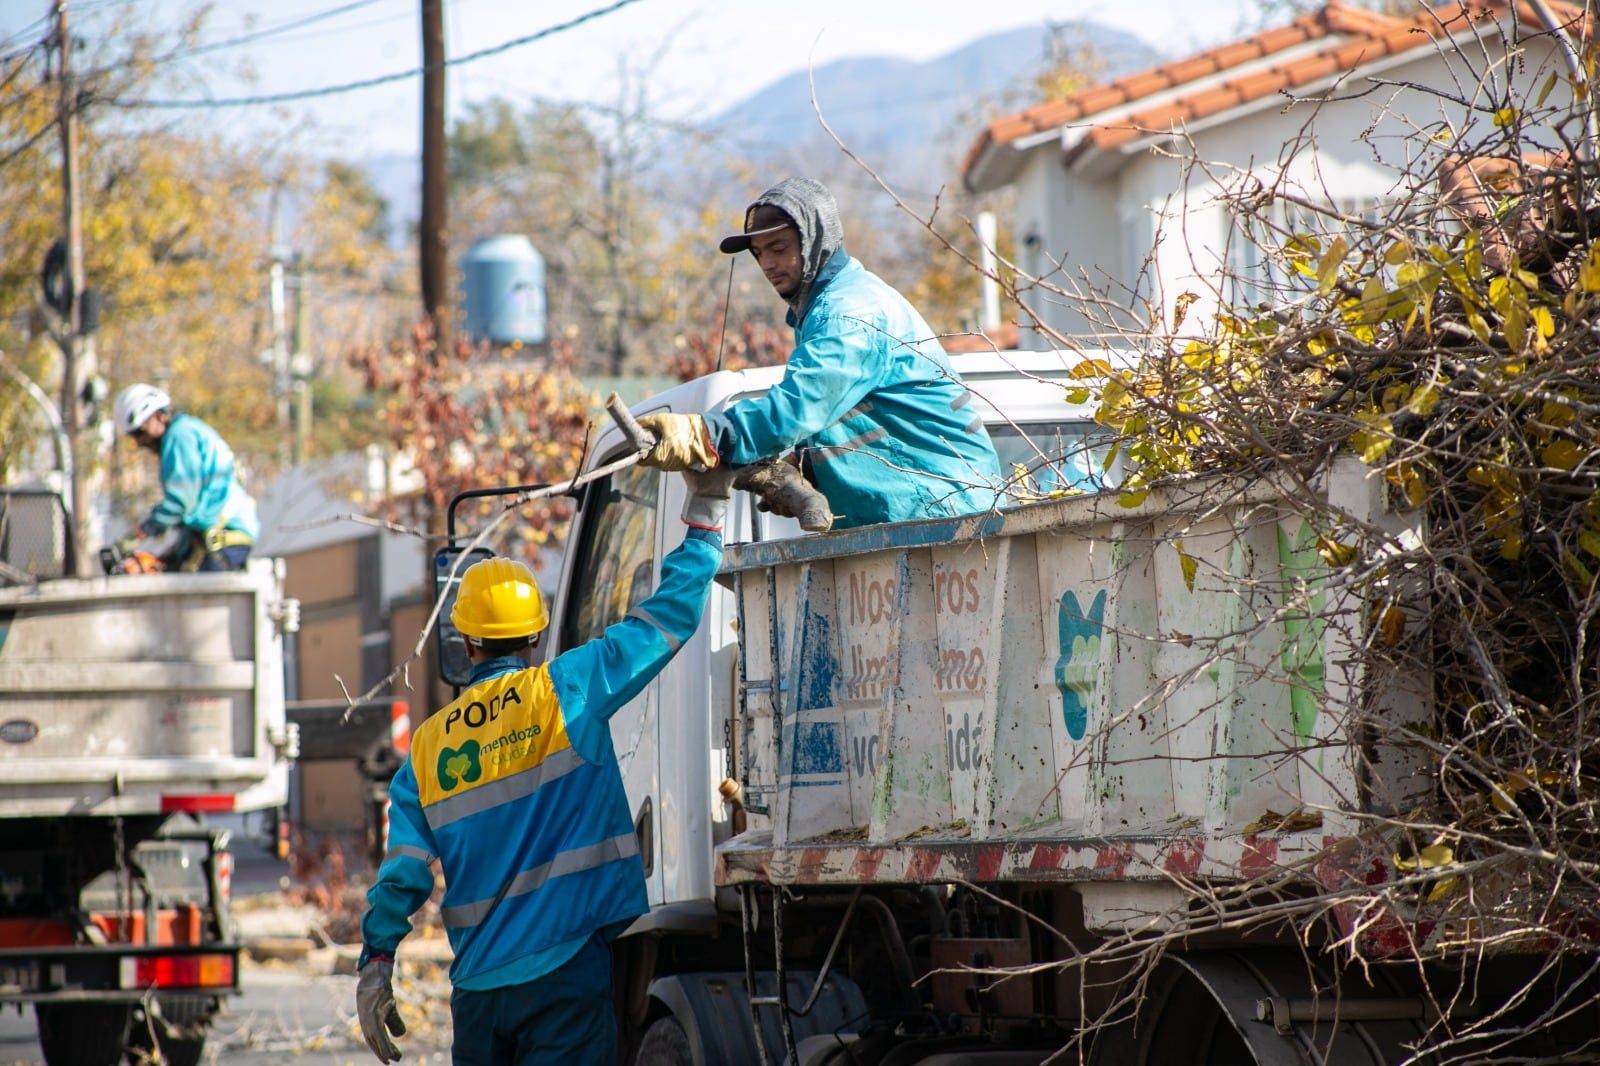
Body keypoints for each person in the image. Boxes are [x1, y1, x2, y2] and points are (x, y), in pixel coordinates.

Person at [354, 466, 736, 1065]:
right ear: (536, 637)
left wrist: (376, 964)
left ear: (467, 644)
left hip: (478, 990)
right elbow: (665, 623)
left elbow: (402, 875)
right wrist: (705, 522)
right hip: (565, 974)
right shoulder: (568, 689)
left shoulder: (427, 749)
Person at [637, 176, 1003, 529]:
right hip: (925, 518)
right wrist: (809, 465)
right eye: (759, 252)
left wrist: (708, 435)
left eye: (778, 248)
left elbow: (802, 404)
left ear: (815, 241)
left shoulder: (849, 313)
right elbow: (863, 416)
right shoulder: (822, 312)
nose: (767, 265)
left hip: (950, 514)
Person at [112, 383, 259, 572]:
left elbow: (180, 502)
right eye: (134, 435)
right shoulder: (187, 431)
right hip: (217, 538)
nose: (139, 442)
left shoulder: (179, 437)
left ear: (158, 416)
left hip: (222, 540)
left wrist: (141, 532)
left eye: (140, 432)